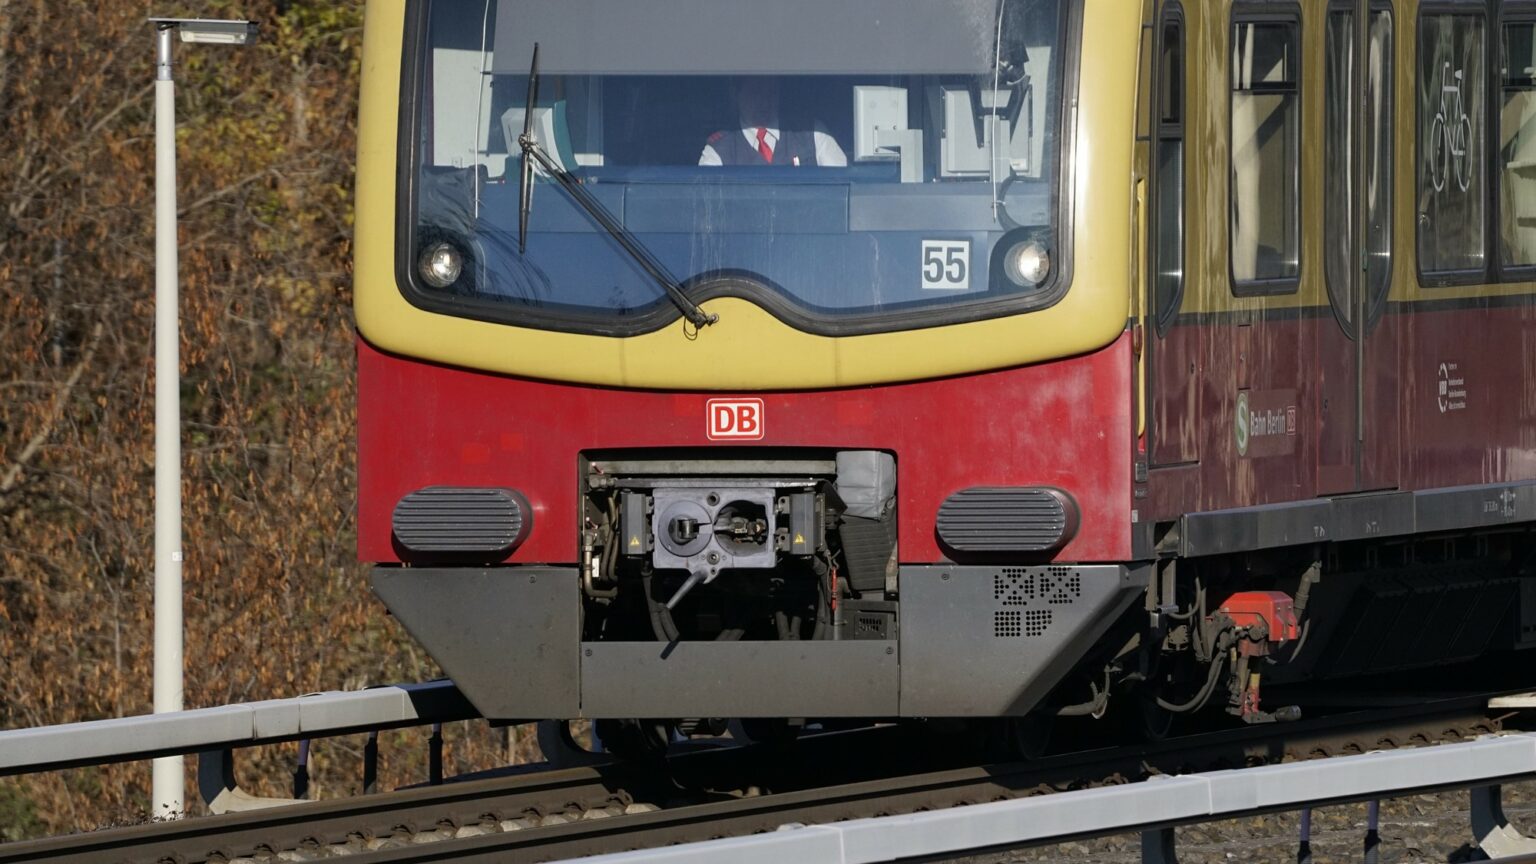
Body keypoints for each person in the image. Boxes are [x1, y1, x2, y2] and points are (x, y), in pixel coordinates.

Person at [699, 77, 847, 167]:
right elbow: (707, 204)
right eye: (756, 92)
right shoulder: (719, 150)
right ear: (735, 94)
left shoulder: (812, 132)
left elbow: (842, 186)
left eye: (771, 91)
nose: (765, 101)